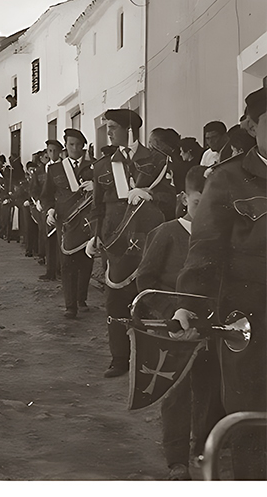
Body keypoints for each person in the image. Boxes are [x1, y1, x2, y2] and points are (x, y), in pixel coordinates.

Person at [172, 88, 267, 480]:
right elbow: (205, 250)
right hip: (251, 322)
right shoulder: (228, 178)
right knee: (251, 424)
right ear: (254, 126)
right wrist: (188, 305)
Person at [136, 165, 223, 480]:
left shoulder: (221, 239)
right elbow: (144, 281)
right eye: (199, 202)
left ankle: (202, 447)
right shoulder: (167, 233)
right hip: (174, 331)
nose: (205, 211)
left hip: (211, 328)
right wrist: (170, 311)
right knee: (176, 394)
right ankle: (176, 460)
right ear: (184, 199)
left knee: (210, 389)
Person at [86, 108, 173, 378]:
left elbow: (170, 199)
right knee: (115, 300)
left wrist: (150, 195)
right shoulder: (102, 165)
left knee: (148, 297)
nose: (108, 132)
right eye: (107, 126)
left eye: (113, 126)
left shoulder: (158, 161)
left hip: (148, 239)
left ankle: (148, 358)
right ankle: (119, 358)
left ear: (129, 130)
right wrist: (95, 235)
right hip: (116, 243)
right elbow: (97, 206)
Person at [40, 129, 94, 318]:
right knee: (67, 263)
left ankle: (81, 298)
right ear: (66, 146)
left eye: (78, 145)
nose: (75, 149)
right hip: (65, 222)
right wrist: (50, 210)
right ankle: (70, 306)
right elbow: (46, 195)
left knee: (86, 262)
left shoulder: (93, 167)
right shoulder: (55, 169)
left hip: (87, 222)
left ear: (83, 147)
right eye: (71, 145)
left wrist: (96, 186)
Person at [38, 139, 63, 281]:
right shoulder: (43, 168)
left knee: (59, 240)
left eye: (55, 151)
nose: (52, 154)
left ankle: (59, 269)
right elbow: (36, 186)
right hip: (45, 207)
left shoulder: (63, 167)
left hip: (58, 207)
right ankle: (50, 271)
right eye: (49, 151)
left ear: (60, 152)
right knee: (48, 239)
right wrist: (38, 201)